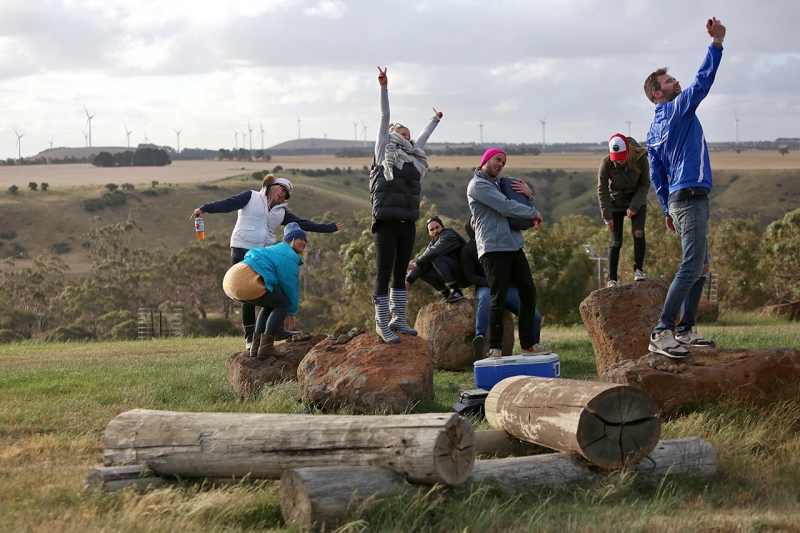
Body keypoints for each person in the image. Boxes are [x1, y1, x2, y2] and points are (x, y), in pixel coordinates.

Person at [644, 17, 726, 358]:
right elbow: (702, 83)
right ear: (657, 93)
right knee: (692, 266)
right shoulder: (677, 107)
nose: (675, 80)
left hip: (679, 199)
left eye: (673, 77)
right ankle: (662, 330)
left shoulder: (652, 131)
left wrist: (666, 209)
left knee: (701, 266)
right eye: (668, 80)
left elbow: (656, 174)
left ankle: (687, 329)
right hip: (691, 196)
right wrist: (716, 44)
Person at [190, 174, 343, 350]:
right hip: (243, 249)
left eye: (287, 194)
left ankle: (274, 331)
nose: (284, 195)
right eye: (282, 190)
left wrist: (329, 228)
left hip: (264, 255)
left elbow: (303, 224)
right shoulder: (250, 197)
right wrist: (204, 208)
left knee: (273, 291)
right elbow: (227, 204)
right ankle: (250, 339)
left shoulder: (281, 213)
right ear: (272, 185)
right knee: (245, 295)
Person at [370, 66, 443, 343]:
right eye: (403, 133)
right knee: (383, 272)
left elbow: (422, 139)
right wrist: (384, 88)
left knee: (401, 272)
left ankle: (398, 318)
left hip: (408, 221)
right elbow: (384, 116)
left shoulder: (413, 155)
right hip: (386, 221)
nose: (408, 137)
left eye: (410, 134)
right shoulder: (383, 149)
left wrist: (434, 120)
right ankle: (381, 323)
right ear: (392, 134)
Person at [467, 148, 543, 360]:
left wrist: (529, 196)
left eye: (503, 162)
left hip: (513, 246)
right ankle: (495, 348)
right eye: (497, 159)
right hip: (492, 248)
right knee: (497, 298)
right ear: (486, 160)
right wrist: (533, 212)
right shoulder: (478, 185)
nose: (500, 164)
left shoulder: (498, 184)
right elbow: (505, 206)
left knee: (528, 291)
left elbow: (515, 201)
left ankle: (528, 344)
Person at [461, 217, 550, 359]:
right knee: (485, 298)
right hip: (486, 287)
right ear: (470, 226)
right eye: (474, 222)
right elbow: (470, 276)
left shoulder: (503, 244)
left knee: (536, 316)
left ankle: (532, 346)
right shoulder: (468, 249)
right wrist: (490, 283)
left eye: (479, 221)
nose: (477, 224)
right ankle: (480, 335)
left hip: (508, 287)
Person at [222, 223, 307, 359]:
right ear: (289, 240)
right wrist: (291, 312)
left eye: (305, 240)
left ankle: (256, 347)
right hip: (243, 280)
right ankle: (266, 347)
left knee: (272, 302)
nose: (303, 242)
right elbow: (291, 287)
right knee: (282, 303)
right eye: (299, 239)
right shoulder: (288, 256)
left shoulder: (276, 250)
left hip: (231, 280)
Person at [598, 133, 651, 287]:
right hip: (616, 202)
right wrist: (607, 215)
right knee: (616, 241)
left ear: (628, 150)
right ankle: (612, 279)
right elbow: (602, 190)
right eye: (617, 158)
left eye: (622, 157)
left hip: (637, 200)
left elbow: (645, 184)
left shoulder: (641, 159)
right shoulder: (607, 162)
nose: (620, 161)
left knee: (638, 233)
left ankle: (639, 270)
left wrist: (634, 206)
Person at [405, 216, 467, 303]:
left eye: (437, 227)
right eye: (432, 229)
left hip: (466, 274)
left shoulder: (449, 234)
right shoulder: (433, 243)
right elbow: (425, 258)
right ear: (429, 233)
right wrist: (408, 281)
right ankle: (446, 293)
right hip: (456, 275)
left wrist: (415, 264)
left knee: (435, 257)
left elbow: (434, 251)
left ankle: (456, 291)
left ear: (442, 227)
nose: (435, 231)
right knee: (422, 271)